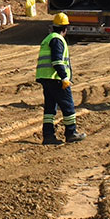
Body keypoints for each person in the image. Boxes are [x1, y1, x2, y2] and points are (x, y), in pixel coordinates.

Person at [35, 12, 82, 144]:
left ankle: (48, 136)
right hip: (56, 79)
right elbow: (57, 61)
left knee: (50, 108)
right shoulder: (57, 40)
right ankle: (71, 133)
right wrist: (64, 77)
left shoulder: (48, 38)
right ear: (65, 29)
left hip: (46, 78)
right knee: (68, 106)